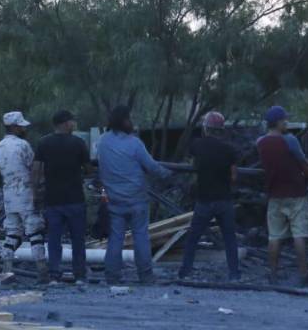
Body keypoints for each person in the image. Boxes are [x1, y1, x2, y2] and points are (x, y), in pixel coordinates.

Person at [98, 105, 173, 285]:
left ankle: (112, 276)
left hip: (114, 199)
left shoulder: (102, 142)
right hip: (137, 199)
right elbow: (152, 166)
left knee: (115, 239)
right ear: (124, 121)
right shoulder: (134, 143)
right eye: (129, 118)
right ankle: (145, 276)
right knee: (141, 236)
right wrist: (168, 174)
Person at [256, 106, 308, 286]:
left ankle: (272, 274)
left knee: (274, 236)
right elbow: (304, 164)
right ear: (279, 122)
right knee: (300, 234)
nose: (287, 123)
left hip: (274, 194)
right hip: (296, 193)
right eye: (285, 120)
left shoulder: (260, 142)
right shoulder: (290, 140)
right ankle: (304, 274)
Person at [178, 111, 240, 282]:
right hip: (224, 200)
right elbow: (234, 176)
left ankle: (185, 272)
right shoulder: (230, 150)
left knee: (193, 237)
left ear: (205, 128)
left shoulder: (197, 145)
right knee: (229, 239)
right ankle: (234, 274)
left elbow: (191, 164)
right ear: (221, 130)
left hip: (204, 200)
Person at [34, 109, 92, 284]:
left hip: (53, 200)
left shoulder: (43, 143)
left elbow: (36, 169)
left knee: (54, 239)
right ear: (66, 123)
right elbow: (88, 168)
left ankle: (54, 275)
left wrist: (35, 193)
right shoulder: (79, 143)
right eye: (72, 121)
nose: (74, 124)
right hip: (75, 198)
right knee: (78, 239)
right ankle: (79, 275)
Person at [0, 111, 47, 279]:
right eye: (22, 126)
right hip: (26, 193)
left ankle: (6, 271)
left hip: (8, 194)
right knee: (35, 232)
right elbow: (34, 167)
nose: (24, 129)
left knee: (12, 234)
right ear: (15, 127)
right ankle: (42, 271)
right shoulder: (23, 145)